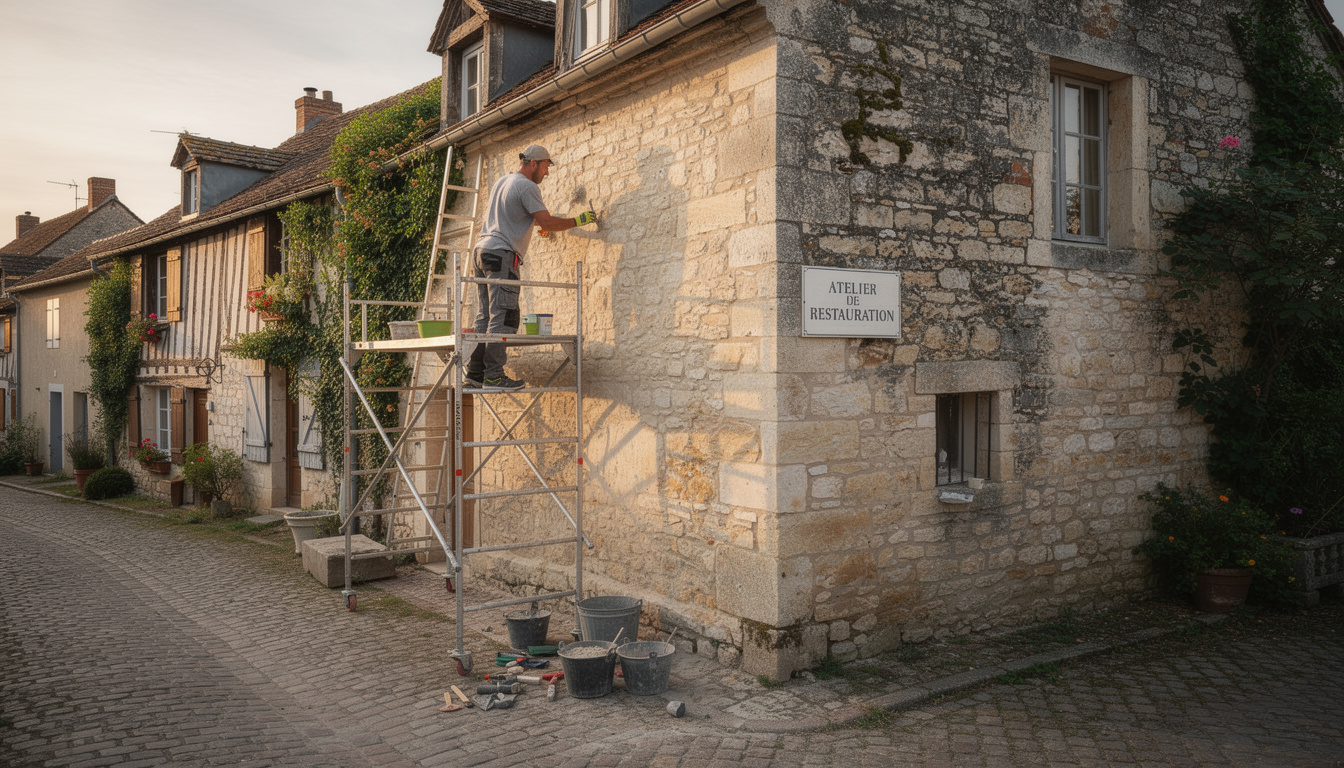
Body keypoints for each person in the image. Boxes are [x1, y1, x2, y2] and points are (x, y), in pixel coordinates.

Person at [465, 145, 596, 390]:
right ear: (533, 163)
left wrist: (545, 223)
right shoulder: (527, 186)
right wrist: (576, 221)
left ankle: (475, 373)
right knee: (503, 316)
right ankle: (494, 376)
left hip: (482, 251)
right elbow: (546, 221)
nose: (547, 173)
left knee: (485, 316)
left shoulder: (504, 181)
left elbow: (520, 216)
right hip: (502, 254)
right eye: (545, 166)